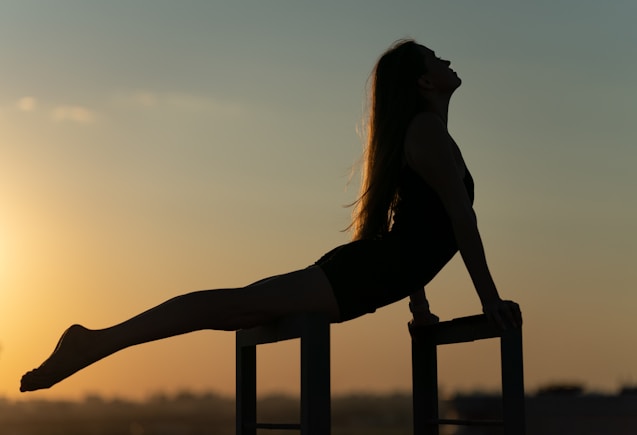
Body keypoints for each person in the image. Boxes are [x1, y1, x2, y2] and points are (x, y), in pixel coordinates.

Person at [20, 39, 521, 393]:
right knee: (235, 308)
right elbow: (459, 221)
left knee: (239, 309)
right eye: (437, 56)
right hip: (361, 276)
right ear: (424, 80)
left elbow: (411, 229)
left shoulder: (423, 133)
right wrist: (490, 299)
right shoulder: (427, 132)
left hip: (369, 276)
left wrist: (418, 306)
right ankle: (96, 341)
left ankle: (98, 341)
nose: (448, 59)